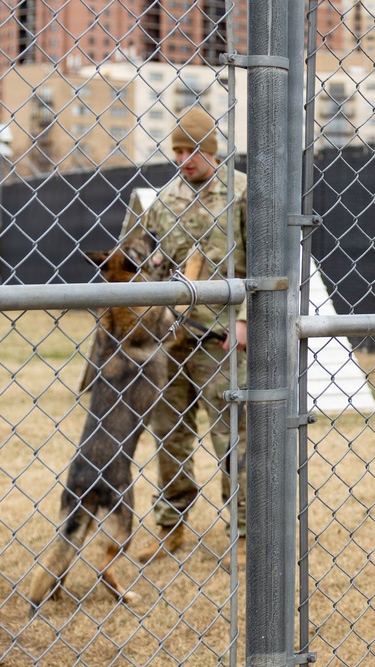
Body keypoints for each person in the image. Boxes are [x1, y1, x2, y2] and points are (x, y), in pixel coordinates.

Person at [134, 106, 249, 566]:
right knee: (170, 437)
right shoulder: (163, 201)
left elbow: (264, 261)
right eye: (178, 150)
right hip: (172, 341)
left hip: (221, 339)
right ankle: (171, 526)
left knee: (233, 439)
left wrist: (244, 319)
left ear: (211, 150)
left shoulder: (241, 192)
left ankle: (245, 532)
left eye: (192, 150)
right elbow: (141, 258)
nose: (184, 159)